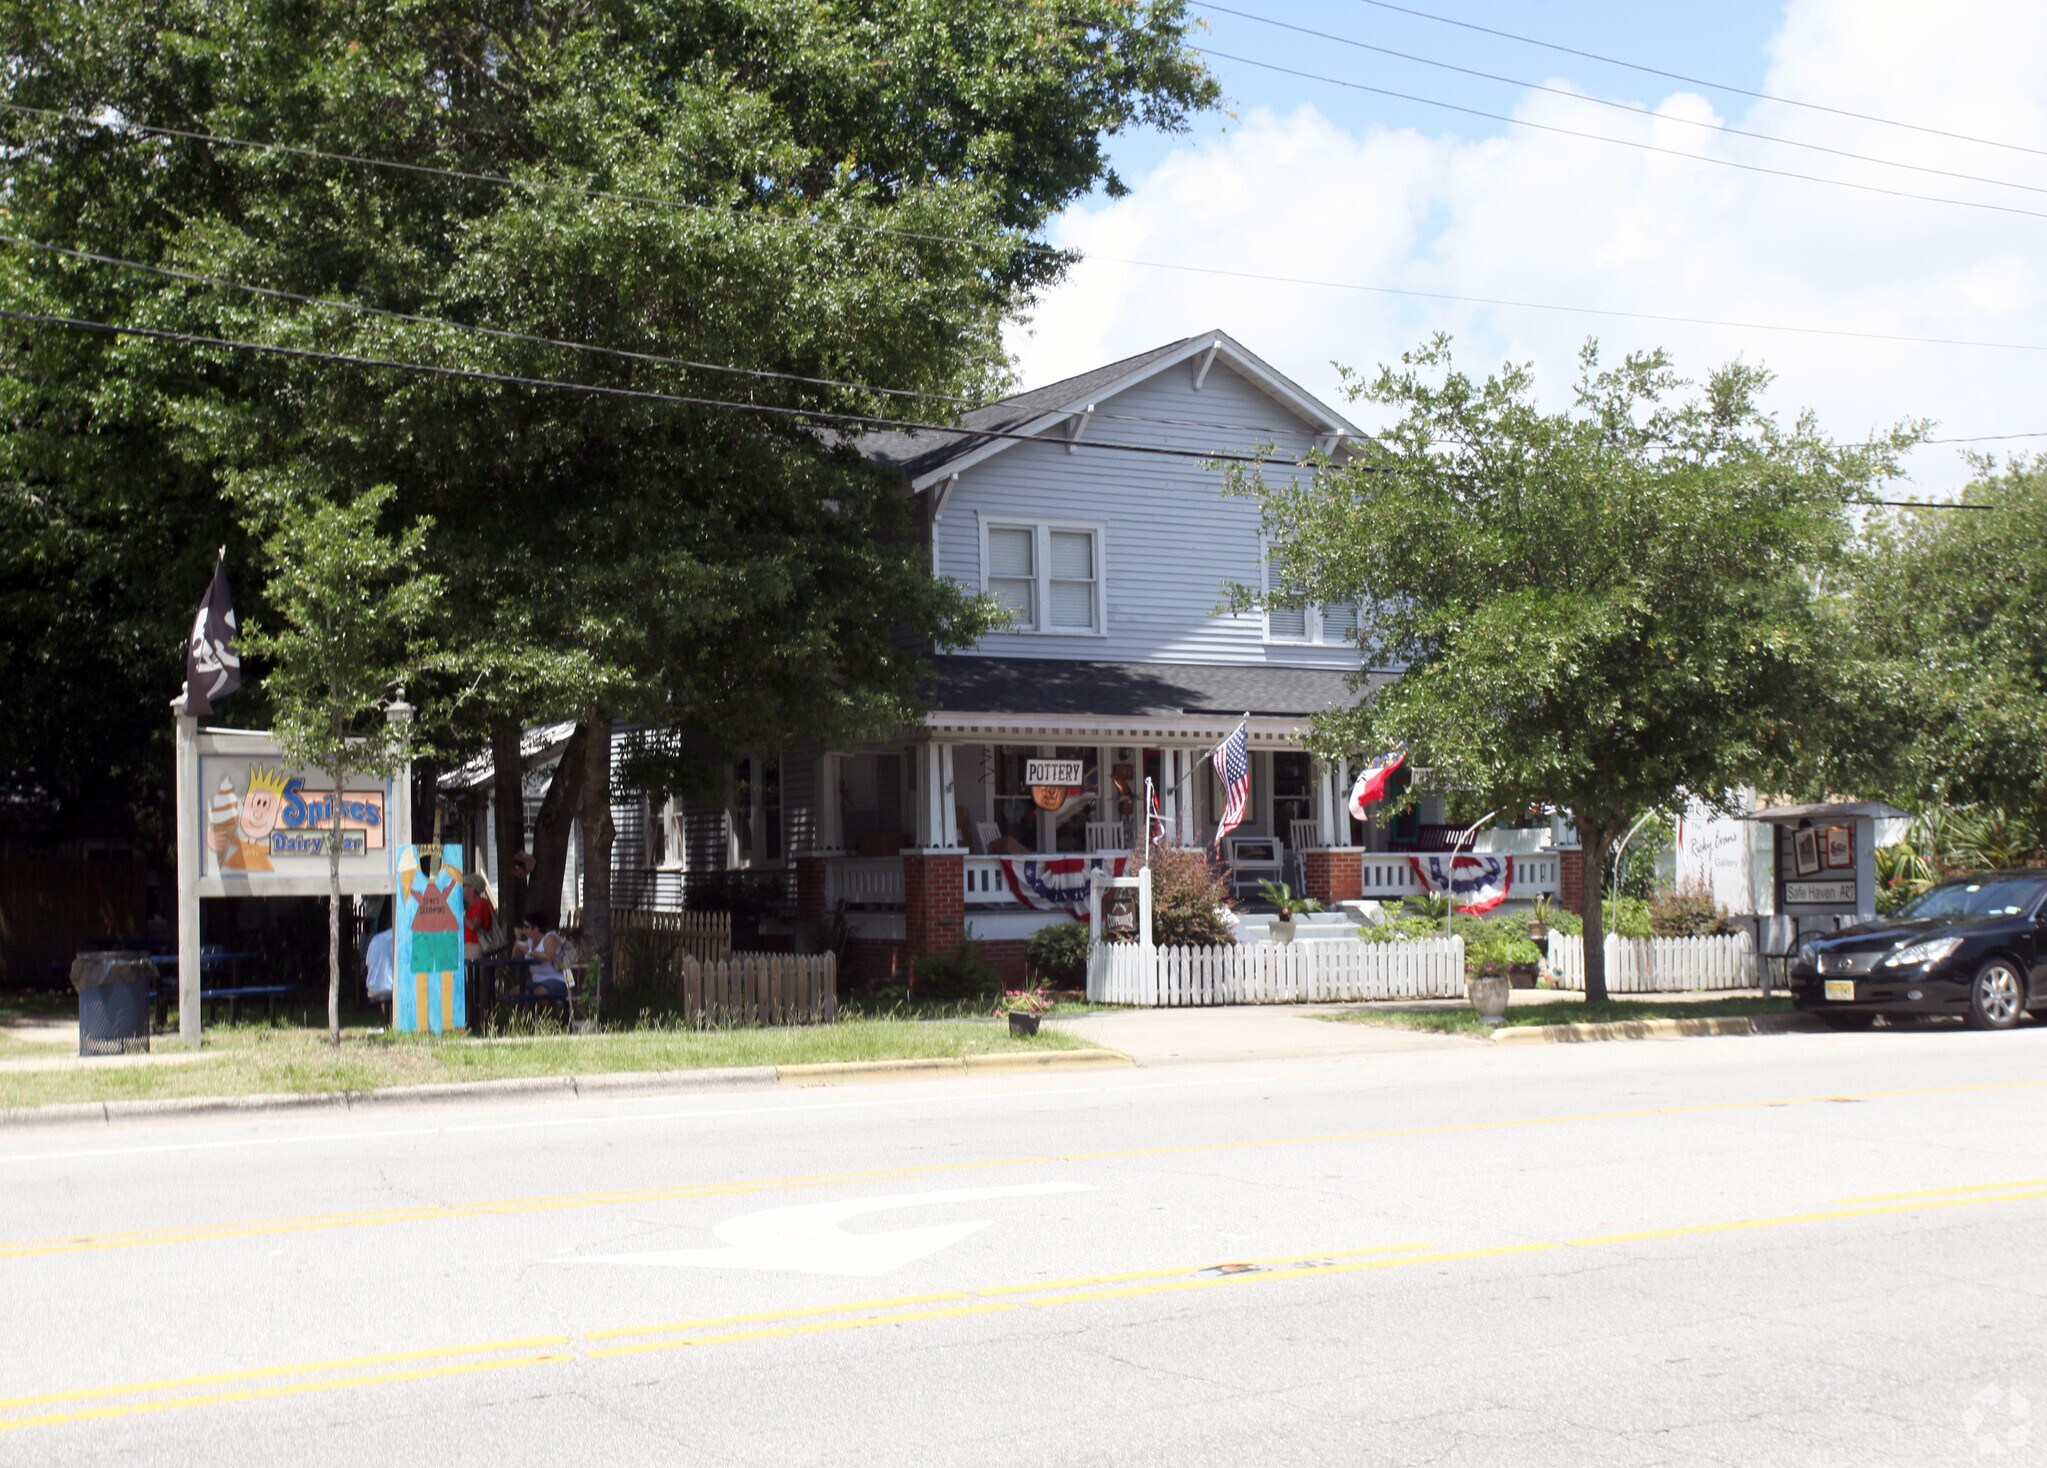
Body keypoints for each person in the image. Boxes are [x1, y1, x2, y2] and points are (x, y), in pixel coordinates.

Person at [512, 912, 570, 999]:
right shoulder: (529, 941)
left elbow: (548, 957)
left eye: (526, 927)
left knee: (539, 993)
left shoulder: (550, 937)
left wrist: (529, 951)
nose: (523, 929)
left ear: (536, 928)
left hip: (558, 979)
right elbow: (515, 958)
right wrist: (518, 939)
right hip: (536, 980)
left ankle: (548, 1008)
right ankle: (528, 1007)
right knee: (516, 992)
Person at [462, 871, 497, 962]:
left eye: (464, 885)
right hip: (469, 944)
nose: (461, 888)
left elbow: (474, 925)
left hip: (476, 945)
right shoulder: (471, 905)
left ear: (472, 888)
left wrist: (460, 916)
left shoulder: (480, 903)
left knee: (475, 969)